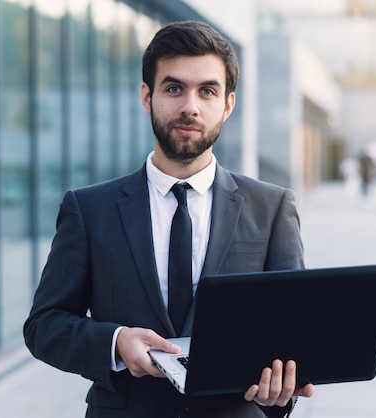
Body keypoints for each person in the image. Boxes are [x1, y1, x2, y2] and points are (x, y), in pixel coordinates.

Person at [23, 20, 314, 418]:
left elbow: (292, 330)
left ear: (228, 104)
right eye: (174, 88)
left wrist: (280, 391)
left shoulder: (273, 207)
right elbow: (44, 326)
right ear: (147, 97)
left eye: (207, 91)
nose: (190, 107)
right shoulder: (89, 209)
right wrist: (116, 341)